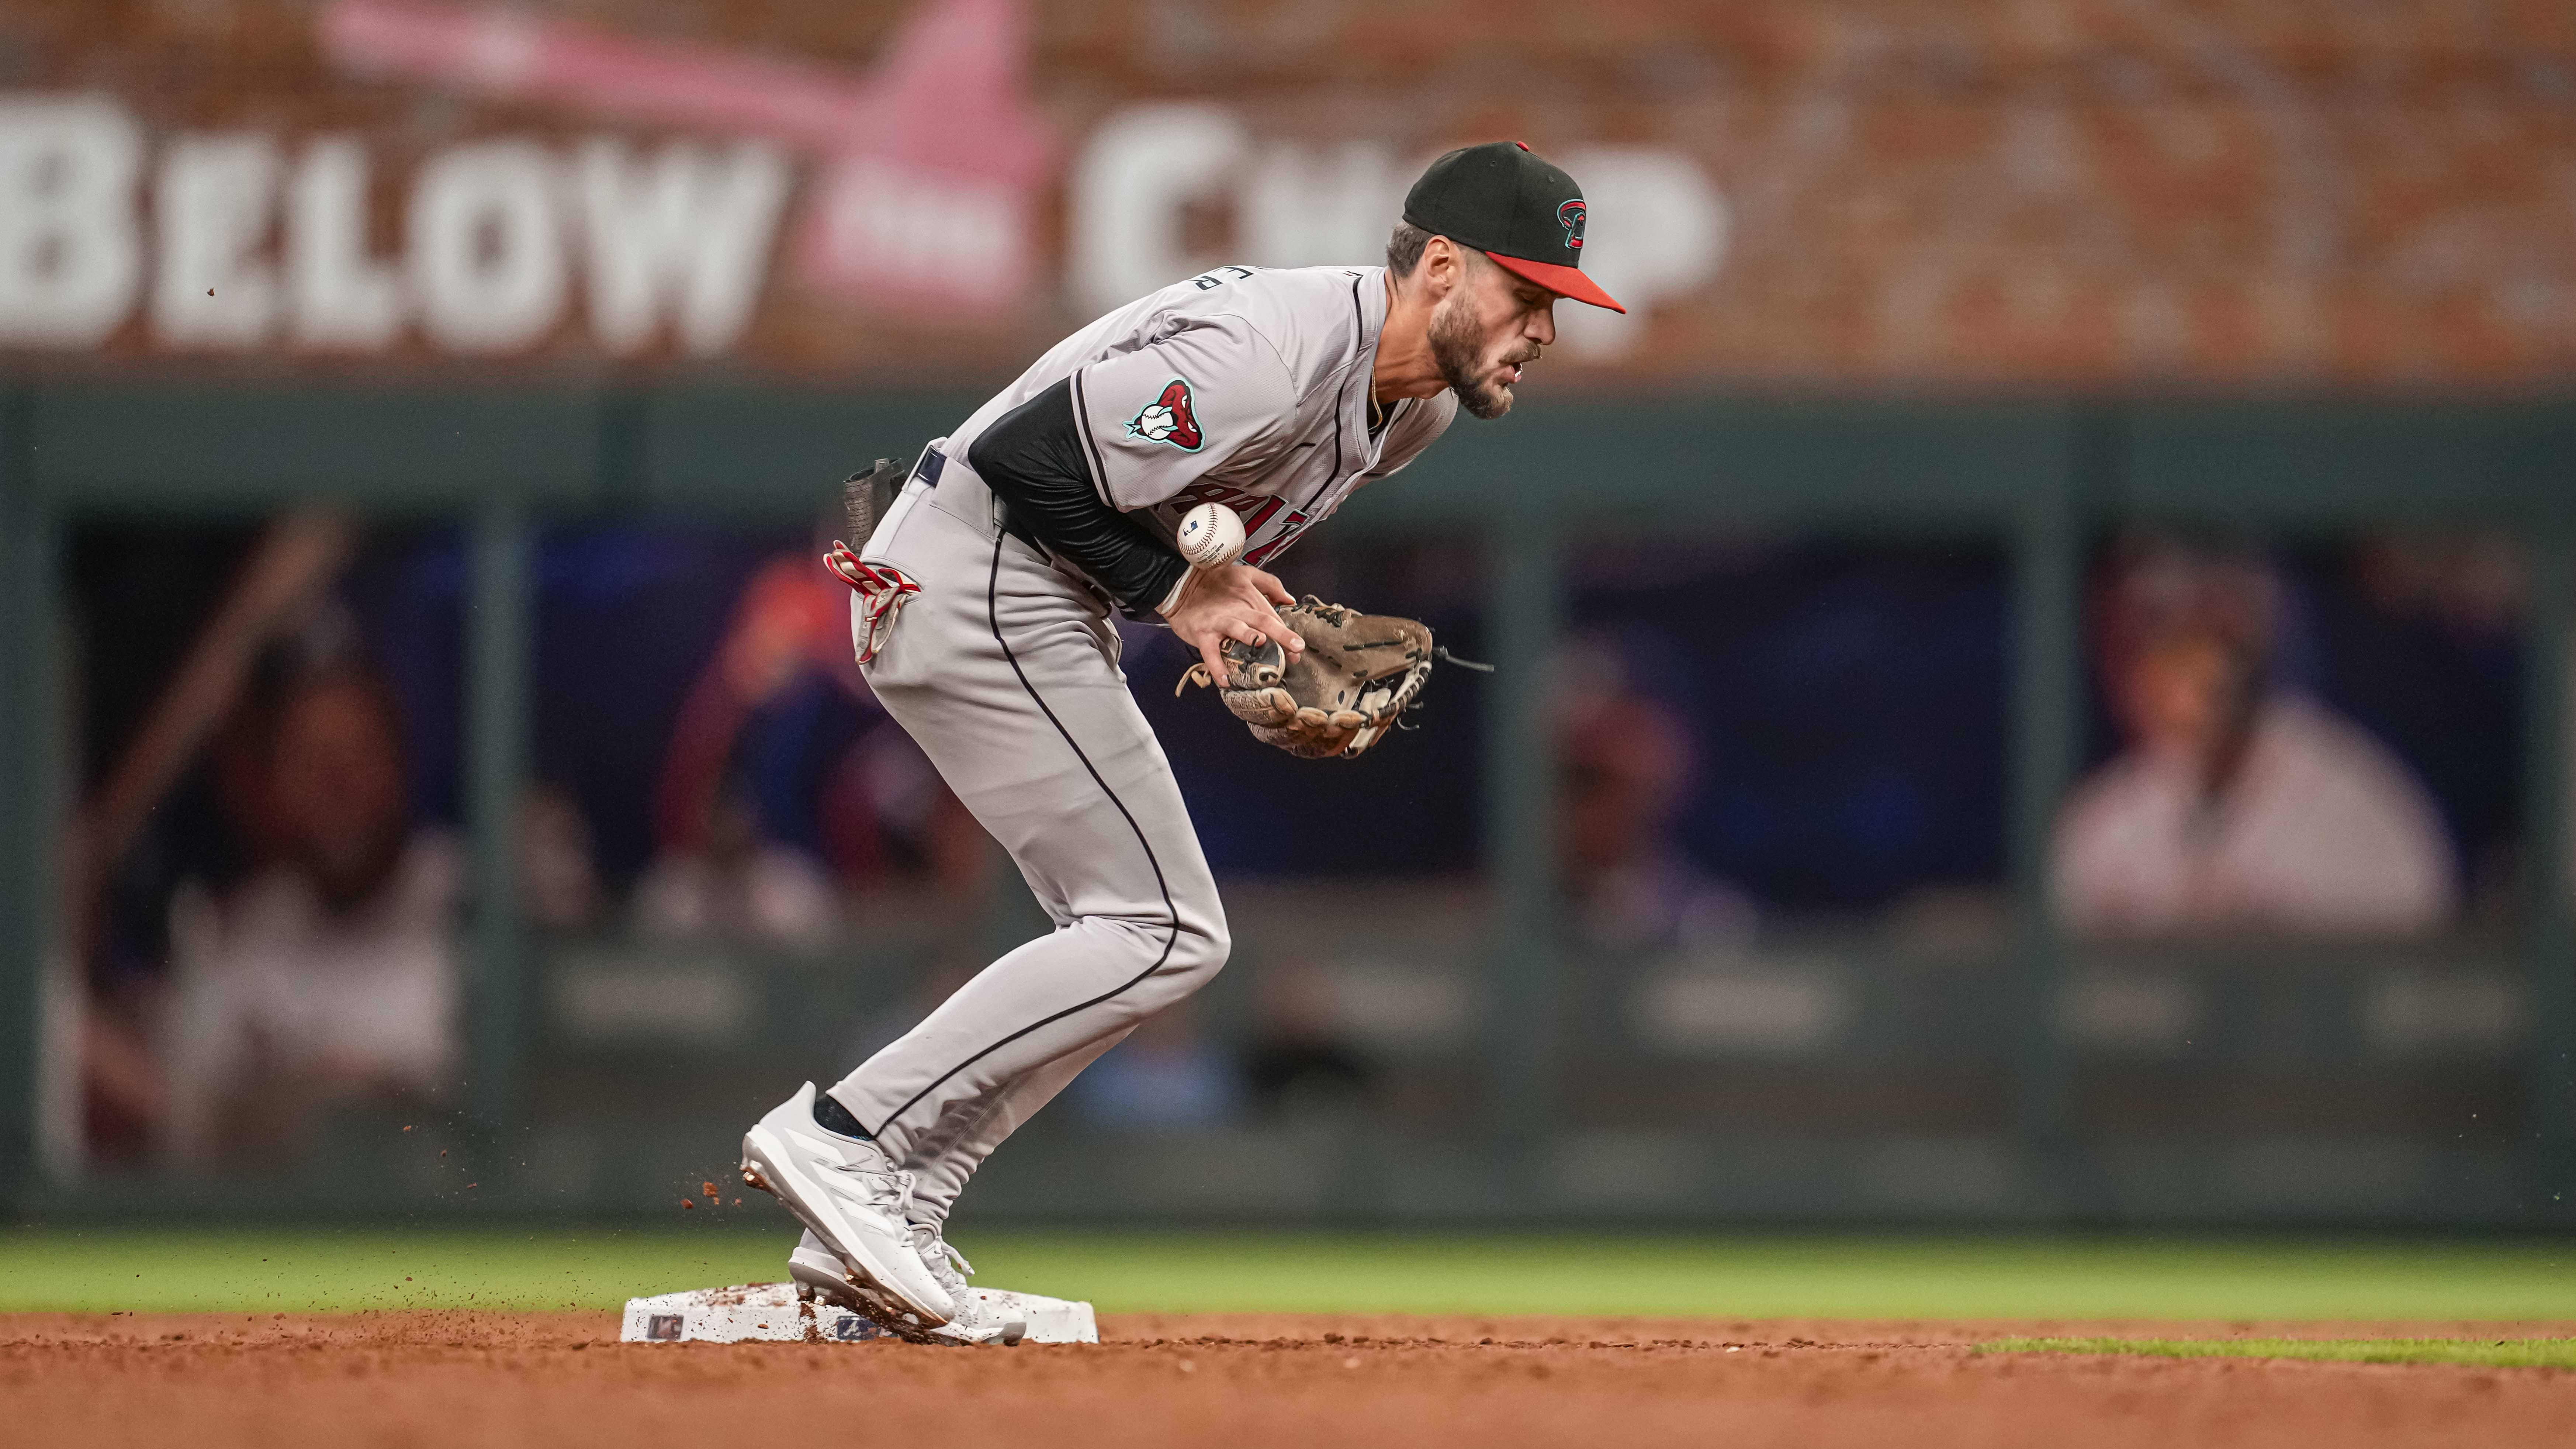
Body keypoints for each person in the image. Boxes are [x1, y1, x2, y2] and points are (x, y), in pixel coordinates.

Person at [735, 142, 1623, 1343]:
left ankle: (889, 1214)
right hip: (971, 574)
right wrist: (1179, 594)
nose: (1544, 331)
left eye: (1558, 304)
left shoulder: (1410, 413)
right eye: (1530, 296)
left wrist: (1223, 603)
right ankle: (844, 1136)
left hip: (1024, 593)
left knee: (1127, 930)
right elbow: (1025, 456)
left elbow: (1174, 515)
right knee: (1162, 928)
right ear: (1445, 270)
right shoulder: (1268, 352)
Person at [2053, 537, 2459, 937]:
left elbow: (2419, 980)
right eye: (2153, 643)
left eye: (2204, 638)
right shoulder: (2106, 819)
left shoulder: (2361, 808)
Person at [162, 665, 461, 1166]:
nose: (338, 787)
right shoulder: (234, 934)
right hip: (271, 1237)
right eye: (311, 760)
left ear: (402, 764)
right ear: (271, 783)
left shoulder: (476, 910)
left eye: (358, 755)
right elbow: (186, 1135)